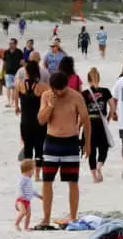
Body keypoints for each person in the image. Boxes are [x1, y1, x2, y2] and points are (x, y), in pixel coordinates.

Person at [36, 72, 91, 226]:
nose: (59, 93)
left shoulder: (76, 97)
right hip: (51, 141)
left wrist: (88, 143)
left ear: (66, 86)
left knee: (72, 181)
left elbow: (86, 121)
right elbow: (41, 120)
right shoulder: (47, 96)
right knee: (47, 181)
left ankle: (73, 217)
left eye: (62, 90)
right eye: (56, 90)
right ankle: (46, 218)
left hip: (71, 142)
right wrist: (50, 106)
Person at [16, 60, 50, 177]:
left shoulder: (19, 85)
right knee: (39, 147)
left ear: (26, 71)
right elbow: (50, 102)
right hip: (39, 121)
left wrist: (17, 107)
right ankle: (37, 174)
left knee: (28, 147)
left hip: (25, 121)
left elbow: (16, 102)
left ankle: (27, 173)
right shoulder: (43, 87)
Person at [81, 68, 115, 183]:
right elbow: (113, 107)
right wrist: (108, 119)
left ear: (88, 79)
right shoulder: (105, 91)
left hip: (89, 122)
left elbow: (82, 112)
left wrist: (79, 126)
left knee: (90, 150)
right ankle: (99, 166)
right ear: (99, 78)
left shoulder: (85, 94)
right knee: (104, 147)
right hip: (101, 122)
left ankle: (94, 176)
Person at [15, 159, 42, 230]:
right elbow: (19, 187)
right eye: (33, 169)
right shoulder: (23, 179)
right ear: (28, 169)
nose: (34, 171)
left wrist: (39, 196)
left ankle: (26, 227)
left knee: (28, 215)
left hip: (27, 201)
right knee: (23, 212)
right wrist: (21, 195)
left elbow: (31, 190)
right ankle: (16, 224)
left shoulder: (29, 179)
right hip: (21, 200)